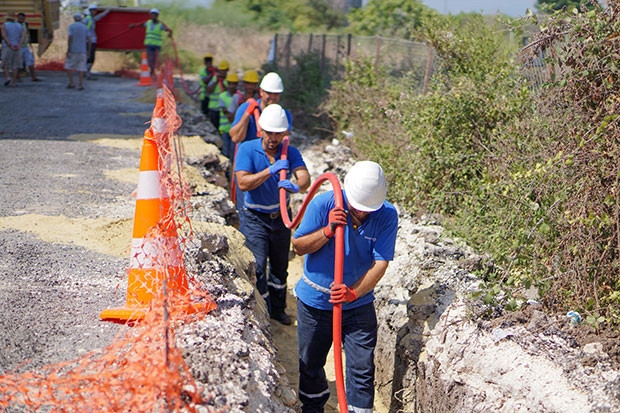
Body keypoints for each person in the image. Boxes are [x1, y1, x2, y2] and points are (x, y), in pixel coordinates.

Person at [291, 161, 399, 412]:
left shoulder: (386, 214)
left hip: (357, 305)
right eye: (357, 208)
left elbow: (381, 263)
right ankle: (313, 407)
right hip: (315, 303)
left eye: (366, 210)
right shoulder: (323, 204)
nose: (361, 214)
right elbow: (298, 247)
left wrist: (353, 293)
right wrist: (327, 231)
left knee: (362, 369)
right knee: (310, 364)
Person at [234, 104, 311, 325]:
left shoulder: (290, 152)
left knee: (279, 267)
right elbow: (242, 182)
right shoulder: (248, 149)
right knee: (258, 266)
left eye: (278, 133)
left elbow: (305, 178)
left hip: (280, 218)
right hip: (255, 218)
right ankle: (263, 311)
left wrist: (296, 186)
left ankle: (278, 309)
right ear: (261, 131)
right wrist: (270, 170)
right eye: (269, 133)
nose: (273, 138)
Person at [129, 9, 172, 79]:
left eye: (154, 15)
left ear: (157, 16)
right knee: (150, 58)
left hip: (157, 45)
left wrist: (170, 34)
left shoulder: (161, 24)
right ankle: (152, 71)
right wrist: (133, 25)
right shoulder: (148, 23)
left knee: (155, 59)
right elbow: (141, 25)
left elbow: (168, 30)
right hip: (149, 44)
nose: (153, 16)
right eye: (151, 15)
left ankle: (154, 71)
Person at [82, 4, 111, 80]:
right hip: (89, 40)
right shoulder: (87, 19)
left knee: (90, 57)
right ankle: (86, 72)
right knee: (90, 57)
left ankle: (86, 72)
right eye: (93, 10)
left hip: (91, 40)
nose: (95, 12)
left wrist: (106, 12)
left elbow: (99, 17)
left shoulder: (91, 19)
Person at [218, 72, 242, 159]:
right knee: (225, 151)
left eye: (234, 84)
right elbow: (225, 112)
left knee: (233, 152)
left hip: (236, 129)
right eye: (230, 84)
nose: (232, 86)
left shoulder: (240, 97)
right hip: (225, 129)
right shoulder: (222, 96)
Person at [65, 12, 91, 90]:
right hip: (82, 50)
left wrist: (68, 48)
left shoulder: (71, 27)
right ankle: (80, 84)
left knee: (68, 65)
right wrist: (88, 50)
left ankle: (71, 82)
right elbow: (89, 40)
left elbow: (70, 38)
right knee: (81, 67)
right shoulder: (85, 27)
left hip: (73, 50)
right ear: (81, 18)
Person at [1, 11, 24, 87]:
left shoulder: (4, 25)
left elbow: (4, 36)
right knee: (15, 66)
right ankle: (14, 82)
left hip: (7, 47)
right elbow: (23, 36)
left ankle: (8, 77)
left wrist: (10, 44)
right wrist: (18, 44)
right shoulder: (20, 26)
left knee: (5, 64)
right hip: (17, 47)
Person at [205, 60, 229, 130]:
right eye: (221, 70)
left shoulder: (229, 80)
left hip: (224, 109)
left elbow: (230, 92)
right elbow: (208, 90)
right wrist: (216, 81)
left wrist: (223, 83)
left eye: (224, 70)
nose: (223, 72)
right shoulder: (214, 79)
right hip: (214, 108)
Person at [16, 12, 40, 82]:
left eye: (22, 18)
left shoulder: (25, 24)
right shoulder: (16, 25)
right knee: (18, 62)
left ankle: (33, 77)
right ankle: (17, 77)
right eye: (20, 18)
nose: (21, 20)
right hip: (19, 46)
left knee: (30, 61)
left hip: (25, 46)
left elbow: (27, 33)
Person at [198, 53, 216, 117]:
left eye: (209, 61)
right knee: (205, 112)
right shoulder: (203, 71)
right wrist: (212, 74)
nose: (208, 63)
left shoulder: (215, 70)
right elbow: (205, 81)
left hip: (213, 96)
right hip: (205, 95)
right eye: (207, 61)